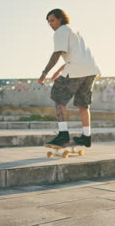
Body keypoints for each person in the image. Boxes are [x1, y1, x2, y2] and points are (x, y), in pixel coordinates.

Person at [38, 8, 101, 148]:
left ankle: (63, 135)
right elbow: (75, 56)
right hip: (91, 70)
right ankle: (86, 136)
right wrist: (59, 71)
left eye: (52, 20)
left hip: (76, 69)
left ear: (61, 19)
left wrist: (44, 73)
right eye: (48, 22)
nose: (50, 24)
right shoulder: (74, 31)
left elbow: (57, 54)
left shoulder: (60, 31)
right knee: (83, 104)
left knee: (58, 96)